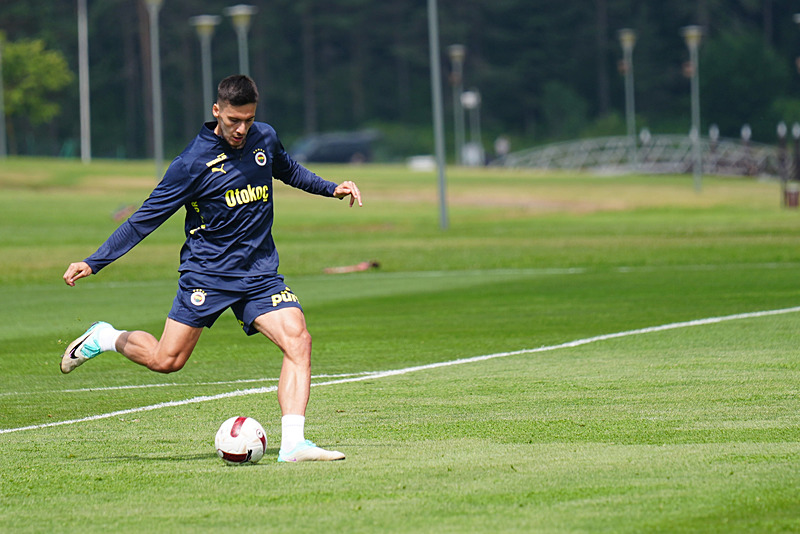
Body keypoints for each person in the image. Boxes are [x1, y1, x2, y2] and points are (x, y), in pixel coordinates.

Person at [61, 74, 362, 463]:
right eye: (234, 120)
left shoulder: (264, 138)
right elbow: (144, 219)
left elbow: (288, 170)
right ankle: (105, 336)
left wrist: (330, 187)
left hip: (260, 274)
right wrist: (94, 261)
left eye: (248, 120)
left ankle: (293, 444)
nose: (241, 129)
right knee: (166, 361)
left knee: (298, 340)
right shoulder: (191, 164)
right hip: (208, 275)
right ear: (216, 111)